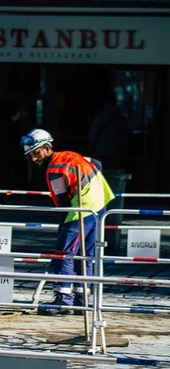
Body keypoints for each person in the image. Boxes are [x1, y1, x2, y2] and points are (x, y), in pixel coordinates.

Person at [20, 129, 115, 315]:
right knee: (86, 254)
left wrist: (63, 226)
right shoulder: (70, 156)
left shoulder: (54, 170)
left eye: (36, 153)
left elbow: (63, 204)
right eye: (30, 155)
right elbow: (97, 163)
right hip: (99, 204)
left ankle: (64, 300)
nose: (33, 159)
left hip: (82, 209)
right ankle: (83, 299)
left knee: (64, 253)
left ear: (47, 148)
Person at [88, 96, 130, 170]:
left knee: (100, 171)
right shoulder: (121, 118)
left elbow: (94, 132)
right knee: (114, 171)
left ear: (106, 103)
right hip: (116, 151)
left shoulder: (101, 116)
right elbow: (125, 136)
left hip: (101, 149)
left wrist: (91, 144)